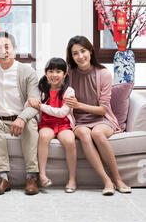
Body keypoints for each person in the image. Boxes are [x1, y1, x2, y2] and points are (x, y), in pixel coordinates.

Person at [65, 35, 131, 196]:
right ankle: (106, 181)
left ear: (90, 51)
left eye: (83, 51)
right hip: (79, 121)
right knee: (85, 135)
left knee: (97, 133)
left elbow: (103, 109)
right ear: (71, 57)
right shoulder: (70, 74)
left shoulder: (103, 74)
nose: (80, 56)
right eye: (75, 53)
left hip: (102, 119)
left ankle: (118, 179)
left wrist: (79, 105)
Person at [0, 31, 40, 196]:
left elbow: (34, 102)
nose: (3, 51)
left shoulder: (27, 72)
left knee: (31, 123)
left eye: (7, 47)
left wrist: (22, 118)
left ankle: (31, 177)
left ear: (15, 49)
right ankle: (2, 178)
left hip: (22, 118)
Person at [27, 57, 77, 193]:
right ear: (45, 73)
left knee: (69, 140)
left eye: (58, 71)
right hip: (47, 123)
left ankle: (72, 179)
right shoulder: (42, 89)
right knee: (43, 136)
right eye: (51, 71)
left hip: (63, 124)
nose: (54, 75)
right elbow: (31, 105)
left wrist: (41, 106)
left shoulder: (69, 91)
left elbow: (62, 113)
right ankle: (42, 175)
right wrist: (31, 101)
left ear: (65, 74)